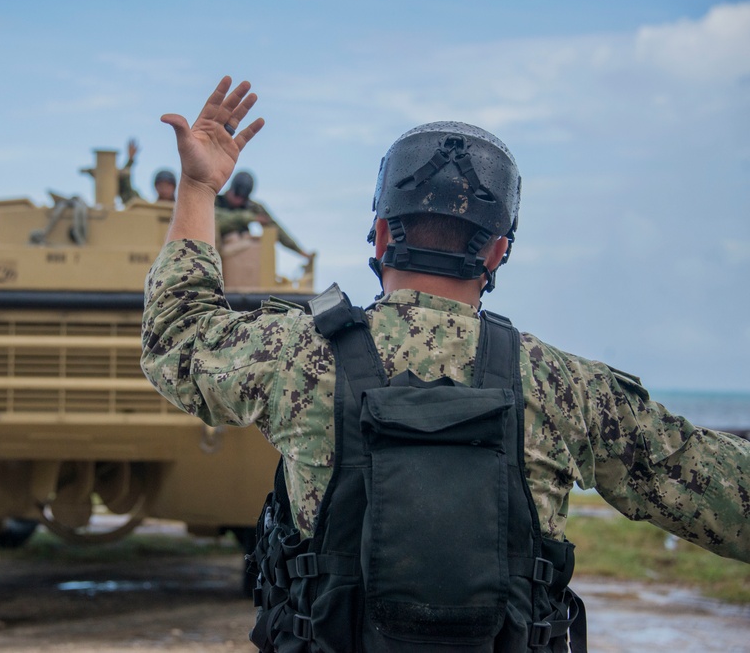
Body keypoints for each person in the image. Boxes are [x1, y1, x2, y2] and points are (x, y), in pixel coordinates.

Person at [142, 77, 749, 651]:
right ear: (498, 251)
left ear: (379, 237)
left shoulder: (297, 357)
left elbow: (177, 336)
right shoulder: (565, 386)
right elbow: (727, 497)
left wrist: (197, 189)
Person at [216, 170, 312, 259]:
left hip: (241, 256)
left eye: (243, 198)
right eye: (236, 196)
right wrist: (249, 218)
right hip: (216, 252)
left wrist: (299, 250)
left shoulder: (252, 207)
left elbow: (275, 228)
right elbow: (219, 219)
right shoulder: (215, 202)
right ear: (231, 189)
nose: (239, 201)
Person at [117, 138, 177, 203]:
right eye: (161, 185)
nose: (164, 189)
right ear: (156, 187)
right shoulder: (148, 208)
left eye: (168, 185)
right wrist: (130, 162)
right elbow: (127, 193)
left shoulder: (184, 210)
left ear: (174, 187)